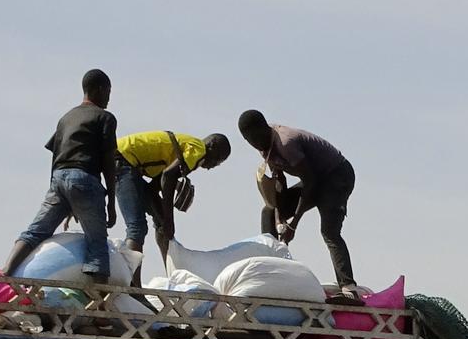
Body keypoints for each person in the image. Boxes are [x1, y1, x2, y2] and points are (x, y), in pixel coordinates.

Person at [2, 69, 118, 282]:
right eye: (108, 91)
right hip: (85, 178)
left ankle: (6, 272)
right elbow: (108, 162)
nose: (109, 98)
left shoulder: (66, 117)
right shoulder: (105, 118)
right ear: (99, 89)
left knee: (36, 231)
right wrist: (111, 199)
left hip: (59, 177)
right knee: (97, 242)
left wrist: (63, 196)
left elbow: (56, 154)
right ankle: (101, 306)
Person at [237, 109, 360, 299]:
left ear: (264, 128)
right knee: (268, 212)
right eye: (248, 141)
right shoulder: (265, 149)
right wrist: (279, 214)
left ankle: (349, 288)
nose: (254, 144)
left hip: (335, 176)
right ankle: (269, 270)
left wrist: (293, 224)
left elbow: (311, 183)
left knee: (329, 231)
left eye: (254, 138)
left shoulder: (286, 142)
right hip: (314, 179)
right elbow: (279, 181)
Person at [115, 131, 231, 264]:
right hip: (123, 161)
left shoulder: (181, 152)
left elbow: (153, 189)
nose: (213, 166)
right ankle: (133, 283)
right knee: (137, 228)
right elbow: (168, 176)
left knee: (161, 222)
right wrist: (170, 220)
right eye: (218, 160)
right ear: (211, 146)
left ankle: (171, 273)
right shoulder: (198, 148)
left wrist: (164, 221)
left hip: (125, 161)